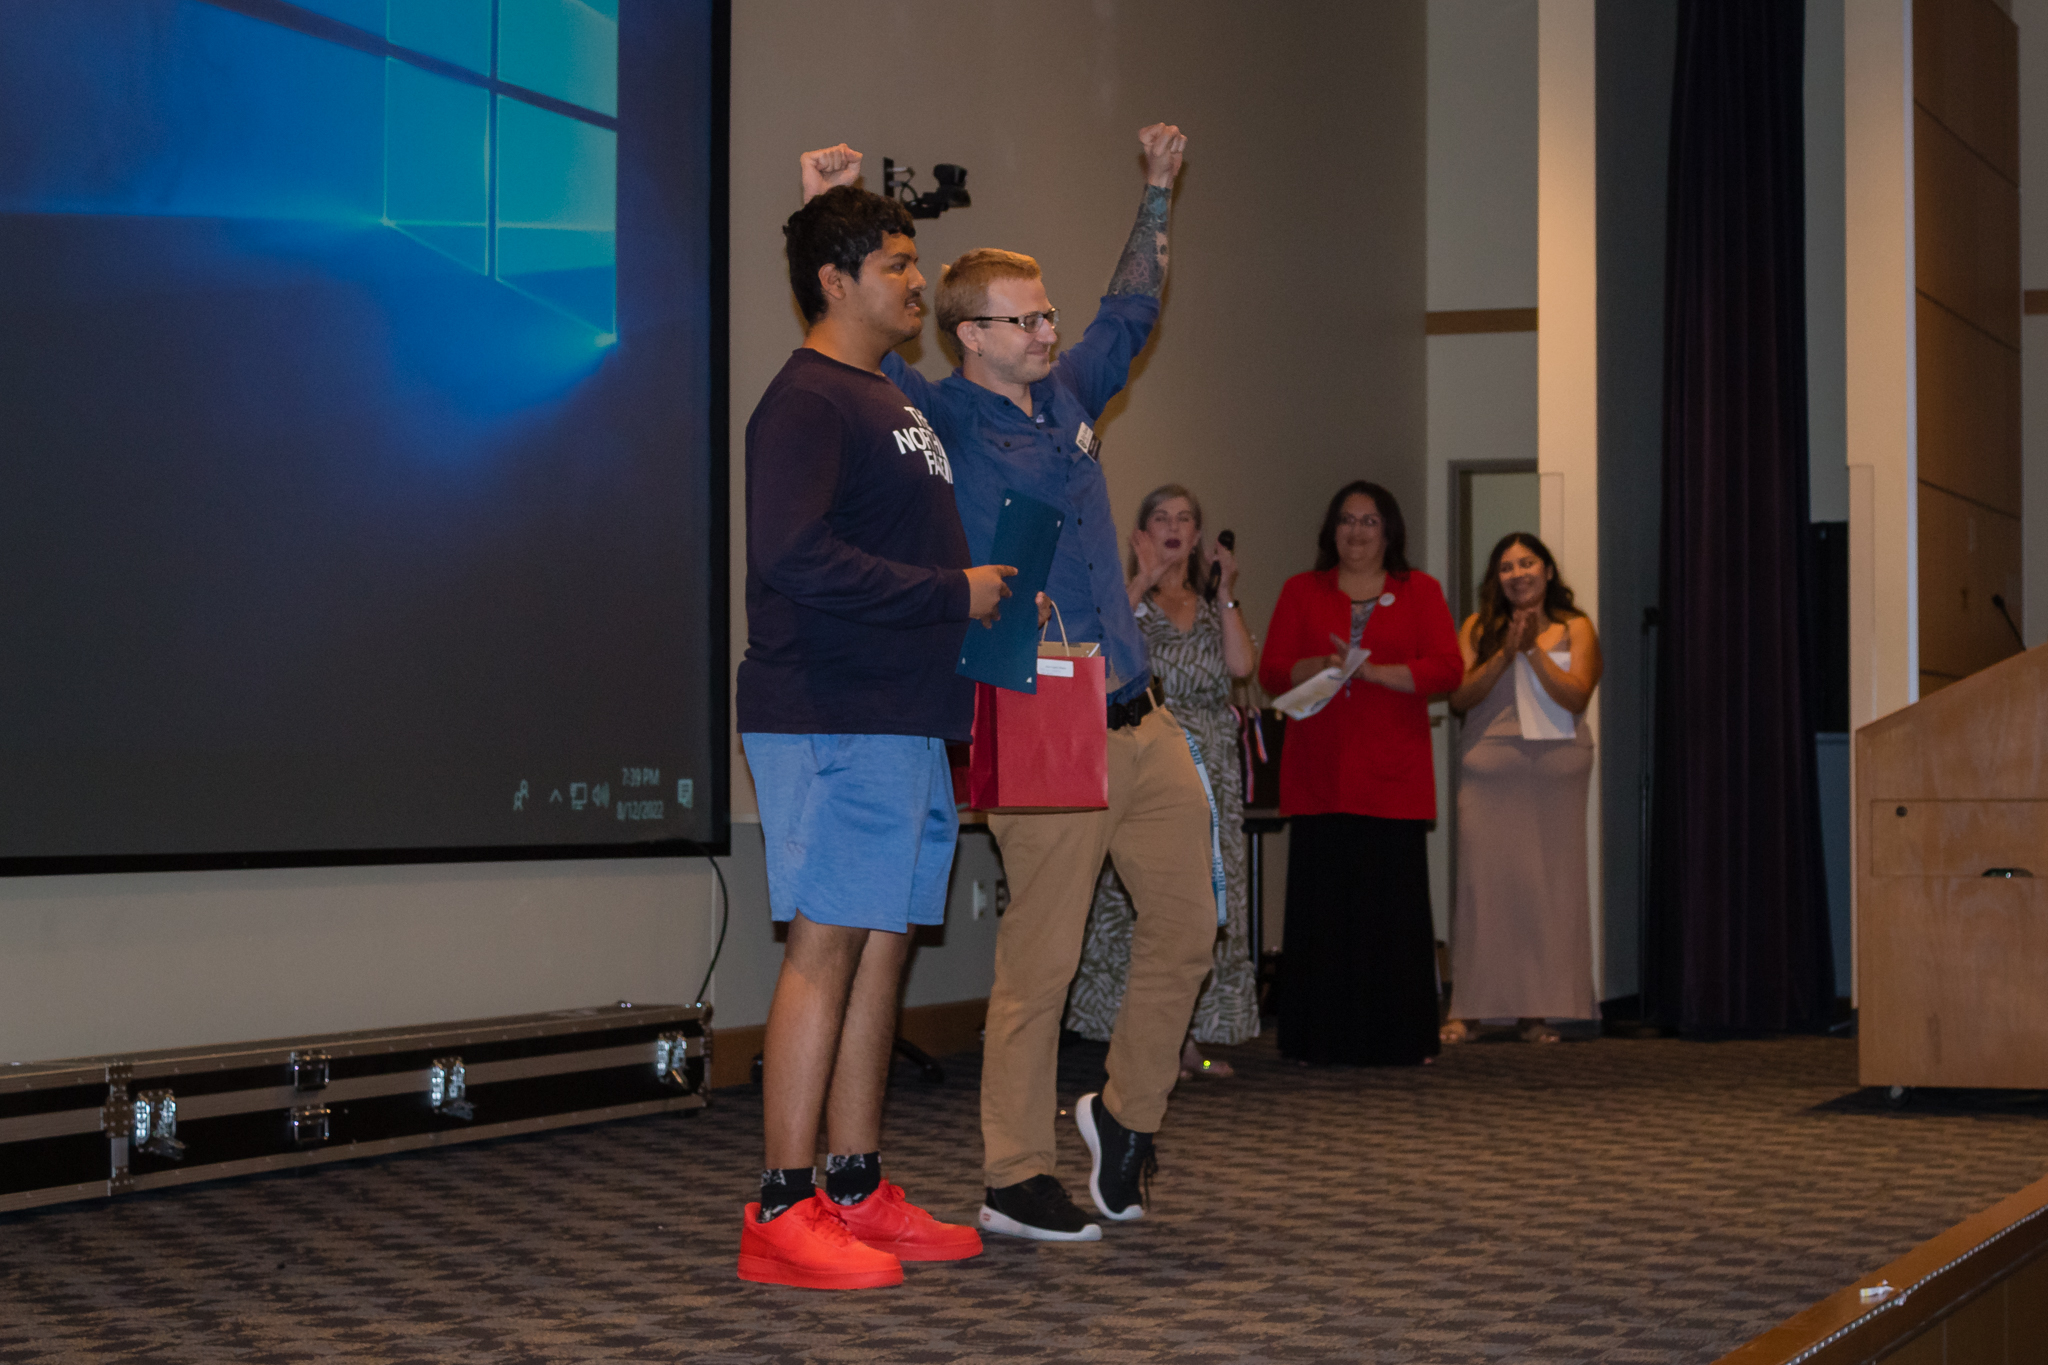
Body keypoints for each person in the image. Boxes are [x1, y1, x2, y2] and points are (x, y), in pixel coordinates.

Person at [799, 123, 1213, 1243]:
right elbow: (851, 352)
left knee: (1190, 927)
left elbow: (1132, 307)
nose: (1048, 330)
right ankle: (1012, 1173)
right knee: (1045, 956)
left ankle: (1123, 1118)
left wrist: (1158, 192)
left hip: (1138, 715)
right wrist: (830, 214)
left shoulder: (1073, 389)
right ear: (969, 337)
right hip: (1037, 713)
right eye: (1024, 318)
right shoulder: (937, 416)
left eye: (1046, 314)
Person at [736, 182, 1023, 1289]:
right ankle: (780, 1205)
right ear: (835, 280)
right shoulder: (807, 401)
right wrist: (951, 591)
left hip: (907, 718)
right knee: (826, 944)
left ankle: (852, 1187)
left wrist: (982, 597)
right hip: (835, 712)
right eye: (898, 264)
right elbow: (792, 555)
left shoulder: (886, 400)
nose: (916, 281)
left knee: (883, 941)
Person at [1256, 482, 1463, 1066]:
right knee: (1323, 916)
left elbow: (1448, 669)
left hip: (1392, 778)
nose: (1357, 531)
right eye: (1347, 520)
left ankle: (1400, 1038)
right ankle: (1317, 1039)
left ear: (1389, 530)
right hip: (1320, 774)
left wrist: (1375, 674)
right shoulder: (1303, 590)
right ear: (1331, 530)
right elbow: (1272, 671)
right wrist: (1318, 666)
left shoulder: (1418, 590)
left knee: (1391, 918)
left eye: (1370, 521)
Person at [1065, 484, 1260, 1076]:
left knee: (1205, 906)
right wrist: (1141, 582)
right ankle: (1138, 1045)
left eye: (1185, 519)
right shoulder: (1129, 601)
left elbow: (1241, 667)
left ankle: (1188, 1042)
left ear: (1199, 535)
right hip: (1147, 759)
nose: (1174, 527)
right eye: (1160, 518)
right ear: (1141, 532)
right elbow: (1098, 652)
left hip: (1213, 772)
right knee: (1137, 905)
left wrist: (1225, 591)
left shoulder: (1210, 607)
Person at [1441, 533, 1603, 1045]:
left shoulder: (1576, 627)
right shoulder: (1476, 626)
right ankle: (1469, 1007)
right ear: (1498, 578)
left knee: (1546, 890)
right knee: (1482, 889)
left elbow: (1576, 695)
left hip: (1555, 769)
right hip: (1490, 767)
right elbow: (1461, 696)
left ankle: (1539, 1010)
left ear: (1548, 571)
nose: (1518, 574)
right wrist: (1503, 652)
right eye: (1507, 567)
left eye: (1527, 563)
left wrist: (1532, 651)